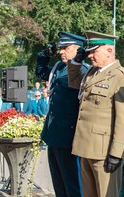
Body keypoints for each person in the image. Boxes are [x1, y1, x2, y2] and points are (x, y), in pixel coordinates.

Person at [68, 30, 124, 197]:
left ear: (109, 51)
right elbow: (74, 83)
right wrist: (76, 62)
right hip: (86, 147)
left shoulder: (121, 77)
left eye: (94, 51)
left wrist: (116, 153)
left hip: (104, 152)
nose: (90, 55)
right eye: (89, 51)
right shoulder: (92, 73)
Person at [36, 31, 89, 196]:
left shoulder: (83, 71)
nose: (61, 51)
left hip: (69, 137)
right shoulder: (59, 68)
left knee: (73, 186)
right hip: (53, 134)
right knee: (59, 184)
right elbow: (41, 72)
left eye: (66, 48)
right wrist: (44, 55)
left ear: (78, 50)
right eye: (60, 48)